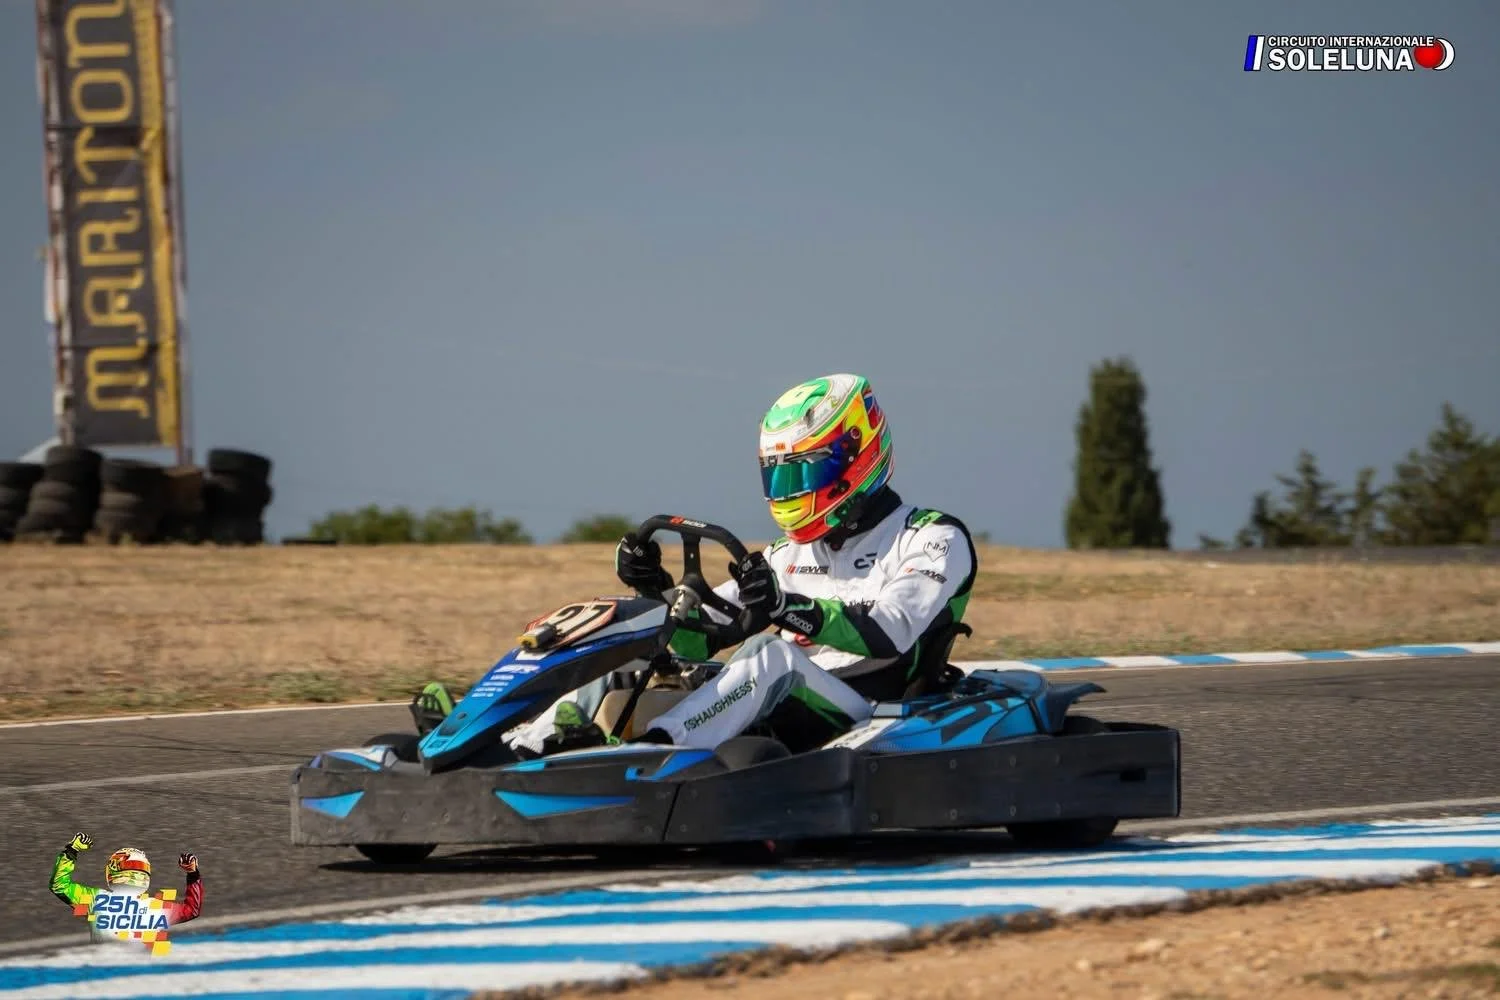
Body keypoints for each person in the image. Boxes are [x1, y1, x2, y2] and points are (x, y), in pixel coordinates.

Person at [504, 372, 977, 756]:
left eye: (804, 471)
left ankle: (656, 752)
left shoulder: (932, 536)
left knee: (769, 656)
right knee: (629, 639)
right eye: (781, 475)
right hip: (785, 700)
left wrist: (788, 607)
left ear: (856, 454)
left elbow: (890, 629)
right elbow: (698, 636)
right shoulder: (788, 553)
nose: (791, 490)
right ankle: (522, 744)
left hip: (871, 711)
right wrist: (653, 596)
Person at [50, 833, 203, 943]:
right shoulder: (156, 907)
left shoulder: (95, 899)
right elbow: (192, 909)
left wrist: (71, 851)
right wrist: (192, 874)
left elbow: (59, 885)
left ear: (113, 870)